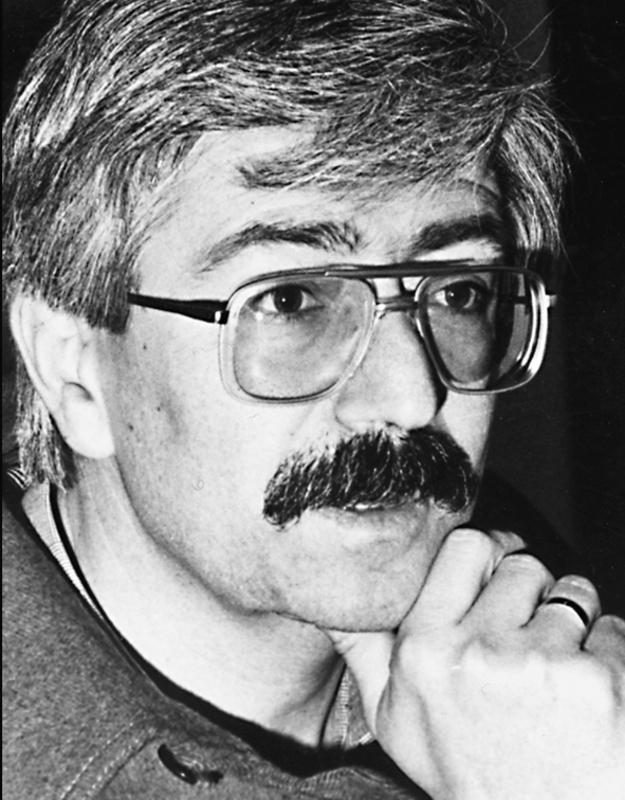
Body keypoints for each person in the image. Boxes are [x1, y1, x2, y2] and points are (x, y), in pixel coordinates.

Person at [3, 1, 624, 798]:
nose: (411, 395)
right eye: (290, 300)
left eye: (458, 290)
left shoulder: (555, 670)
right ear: (74, 370)